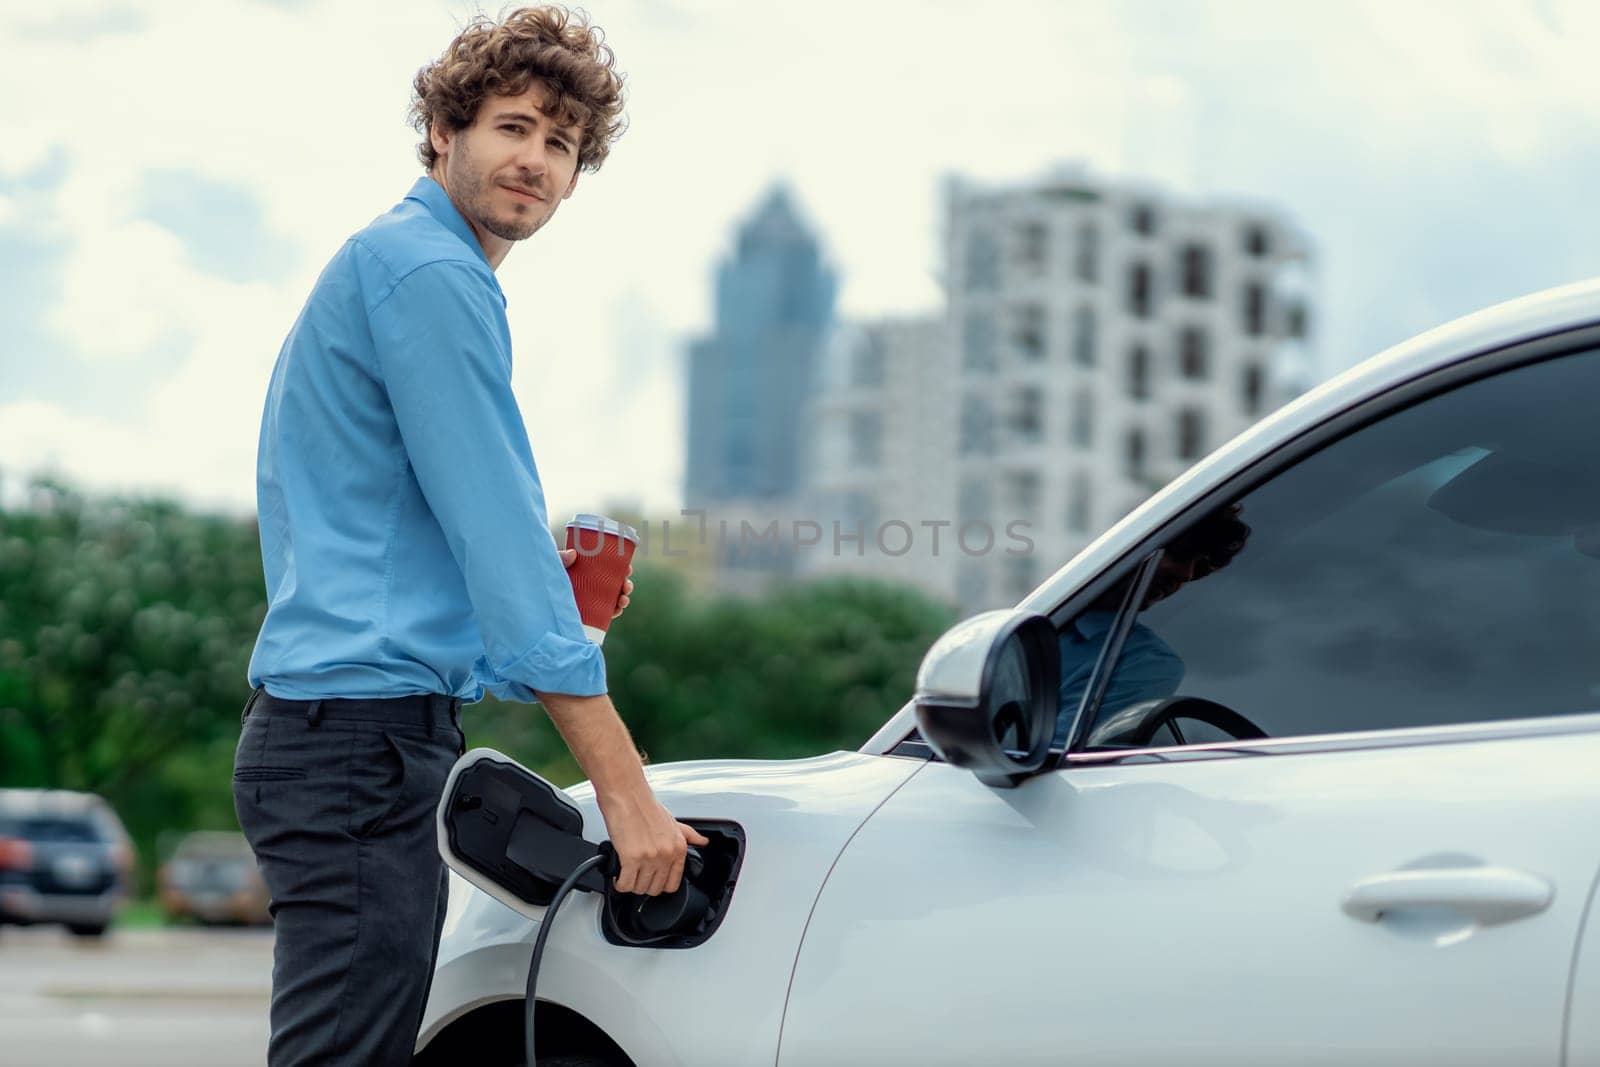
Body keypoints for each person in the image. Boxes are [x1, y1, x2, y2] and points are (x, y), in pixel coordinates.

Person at [232, 8, 705, 1064]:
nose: (534, 160)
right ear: (444, 130)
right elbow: (500, 542)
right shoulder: (432, 275)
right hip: (353, 743)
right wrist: (630, 798)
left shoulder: (396, 265)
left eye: (561, 144)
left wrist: (551, 624)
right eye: (513, 126)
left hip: (344, 733)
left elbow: (407, 571)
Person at [1054, 503, 1251, 746]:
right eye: (1181, 553)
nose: (1186, 575)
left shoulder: (1140, 659)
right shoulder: (1039, 620)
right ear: (1120, 544)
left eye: (1200, 568)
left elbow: (1053, 758)